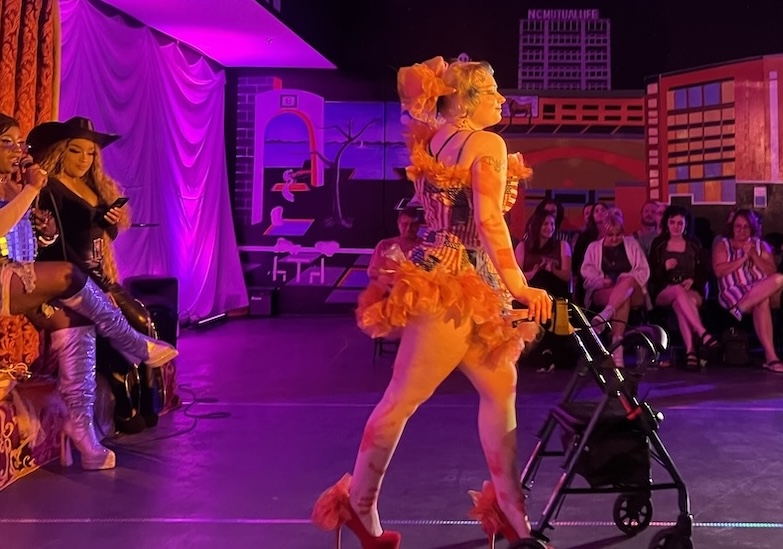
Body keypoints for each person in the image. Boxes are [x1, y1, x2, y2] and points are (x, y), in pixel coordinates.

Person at [312, 57, 552, 548]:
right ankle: (359, 505)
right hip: (457, 284)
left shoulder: (435, 139)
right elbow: (488, 221)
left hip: (448, 274)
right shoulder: (485, 143)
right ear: (464, 101)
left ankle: (511, 510)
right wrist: (520, 285)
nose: (501, 99)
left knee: (500, 388)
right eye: (491, 91)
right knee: (402, 399)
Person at [0, 114, 178, 470]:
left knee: (75, 319)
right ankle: (133, 343)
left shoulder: (12, 185)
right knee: (69, 274)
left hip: (15, 276)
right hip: (10, 277)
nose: (17, 150)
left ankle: (79, 428)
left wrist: (46, 232)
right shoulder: (30, 187)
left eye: (20, 143)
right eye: (7, 143)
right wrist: (32, 191)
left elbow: (25, 244)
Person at [712, 209, 783, 372]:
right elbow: (719, 271)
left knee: (779, 279)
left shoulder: (761, 245)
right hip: (734, 289)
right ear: (732, 227)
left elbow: (771, 271)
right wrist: (743, 258)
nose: (741, 230)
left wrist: (753, 255)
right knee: (762, 301)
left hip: (760, 287)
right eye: (738, 226)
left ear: (752, 228)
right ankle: (771, 358)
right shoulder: (723, 245)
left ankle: (740, 309)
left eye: (746, 227)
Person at [648, 205, 718, 369]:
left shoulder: (694, 244)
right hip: (665, 290)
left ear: (686, 225)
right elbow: (651, 275)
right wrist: (664, 267)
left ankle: (690, 352)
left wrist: (693, 280)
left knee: (680, 303)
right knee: (677, 292)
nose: (676, 226)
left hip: (691, 290)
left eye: (680, 223)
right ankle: (702, 332)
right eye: (672, 222)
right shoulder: (658, 243)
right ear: (667, 223)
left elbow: (704, 271)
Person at [581, 208, 650, 366]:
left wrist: (624, 278)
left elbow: (643, 269)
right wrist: (601, 280)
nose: (614, 238)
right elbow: (586, 272)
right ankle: (617, 350)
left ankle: (605, 316)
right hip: (605, 289)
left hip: (632, 288)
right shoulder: (593, 247)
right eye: (610, 235)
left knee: (627, 281)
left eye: (618, 234)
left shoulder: (632, 244)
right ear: (603, 233)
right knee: (622, 299)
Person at [367, 207, 422, 281]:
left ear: (418, 225)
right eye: (405, 224)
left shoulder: (428, 247)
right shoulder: (385, 245)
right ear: (398, 224)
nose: (408, 228)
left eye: (413, 225)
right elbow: (372, 271)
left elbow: (432, 272)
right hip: (390, 287)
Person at [571, 201, 608, 305]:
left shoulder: (614, 234)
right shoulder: (584, 236)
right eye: (596, 211)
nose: (600, 213)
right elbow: (577, 259)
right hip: (587, 276)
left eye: (603, 210)